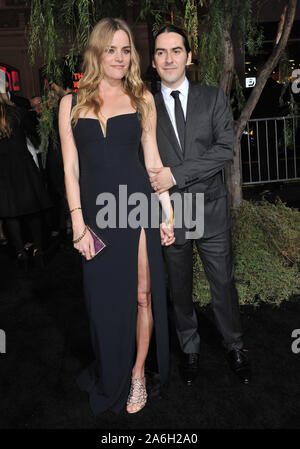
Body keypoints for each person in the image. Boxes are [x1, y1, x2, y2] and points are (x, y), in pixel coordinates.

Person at [58, 18, 175, 415]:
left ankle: (138, 374)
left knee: (143, 296)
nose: (120, 57)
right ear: (97, 52)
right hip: (96, 216)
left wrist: (168, 212)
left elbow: (153, 160)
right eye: (112, 49)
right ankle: (113, 369)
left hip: (137, 207)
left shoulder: (142, 97)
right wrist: (78, 224)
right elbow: (69, 169)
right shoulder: (70, 104)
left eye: (126, 50)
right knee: (103, 301)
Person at [150, 24, 251, 385]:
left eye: (176, 50)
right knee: (179, 287)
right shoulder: (144, 105)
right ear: (153, 60)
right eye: (161, 52)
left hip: (210, 207)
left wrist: (176, 174)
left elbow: (224, 149)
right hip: (170, 214)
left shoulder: (212, 97)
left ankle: (235, 345)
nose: (169, 58)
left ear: (189, 56)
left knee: (222, 283)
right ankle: (189, 348)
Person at [0, 88, 52, 268]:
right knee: (32, 208)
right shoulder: (17, 112)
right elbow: (35, 133)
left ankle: (20, 251)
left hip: (3, 169)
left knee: (10, 212)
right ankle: (37, 248)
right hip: (23, 165)